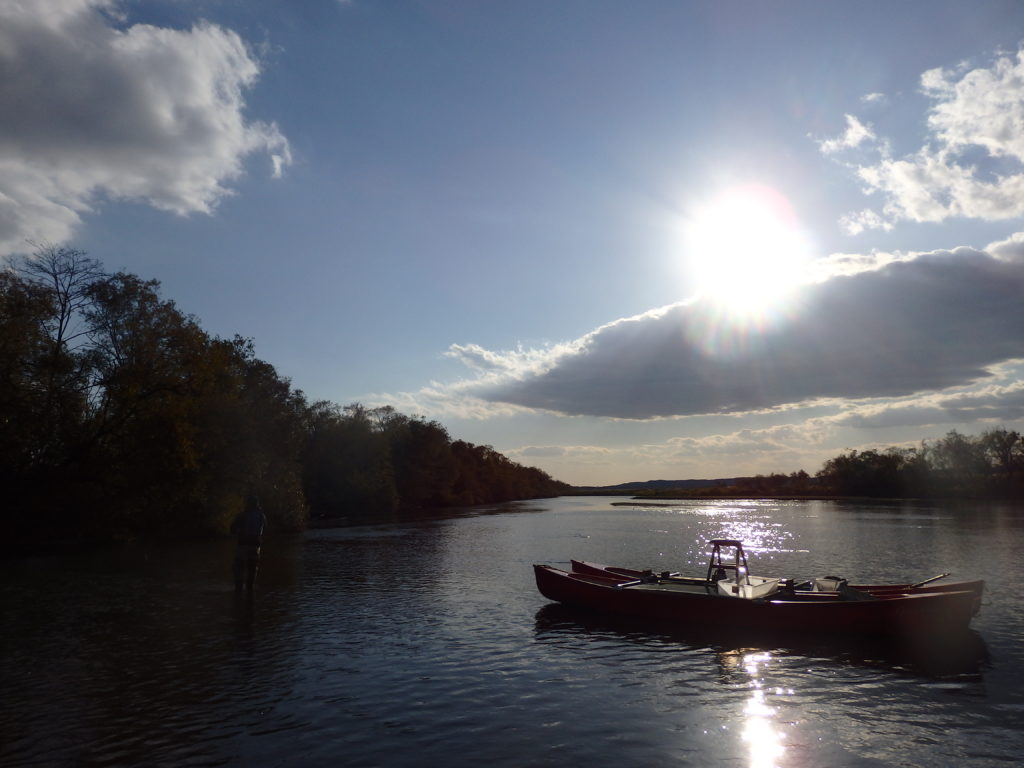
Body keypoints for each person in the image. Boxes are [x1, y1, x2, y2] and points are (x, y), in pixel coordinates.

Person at [232, 495, 267, 592]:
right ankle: (249, 588)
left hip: (243, 544)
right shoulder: (262, 516)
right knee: (252, 568)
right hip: (256, 546)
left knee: (239, 566)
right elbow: (265, 529)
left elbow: (232, 528)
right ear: (257, 504)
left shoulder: (242, 515)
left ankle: (238, 589)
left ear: (247, 504)